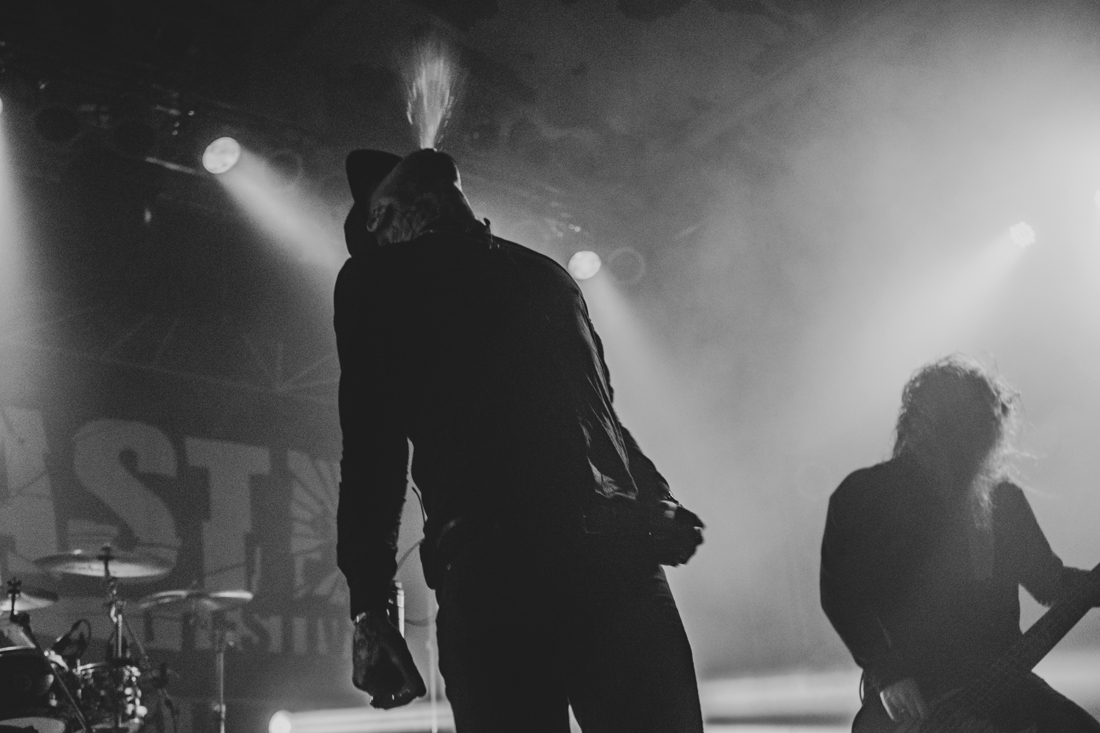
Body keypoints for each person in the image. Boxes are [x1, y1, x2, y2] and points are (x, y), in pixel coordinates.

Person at [334, 147, 706, 732]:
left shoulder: (381, 277)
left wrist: (370, 609)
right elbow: (599, 418)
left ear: (387, 215)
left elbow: (371, 453)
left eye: (375, 230)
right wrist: (657, 499)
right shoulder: (542, 274)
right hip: (593, 565)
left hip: (515, 571)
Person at [820, 355, 1100, 732]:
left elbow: (1049, 582)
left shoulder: (1003, 500)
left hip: (1003, 683)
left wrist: (1091, 586)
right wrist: (889, 674)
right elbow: (842, 596)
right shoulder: (863, 495)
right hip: (919, 700)